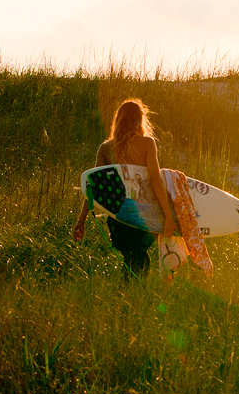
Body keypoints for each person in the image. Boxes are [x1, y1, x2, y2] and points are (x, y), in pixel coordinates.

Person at [73, 99, 175, 277]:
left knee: (134, 257)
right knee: (137, 257)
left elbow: (94, 186)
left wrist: (81, 221)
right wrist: (167, 216)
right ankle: (130, 297)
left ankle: (129, 297)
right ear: (139, 120)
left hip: (118, 217)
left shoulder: (105, 148)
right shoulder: (147, 143)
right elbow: (155, 182)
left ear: (118, 120)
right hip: (146, 214)